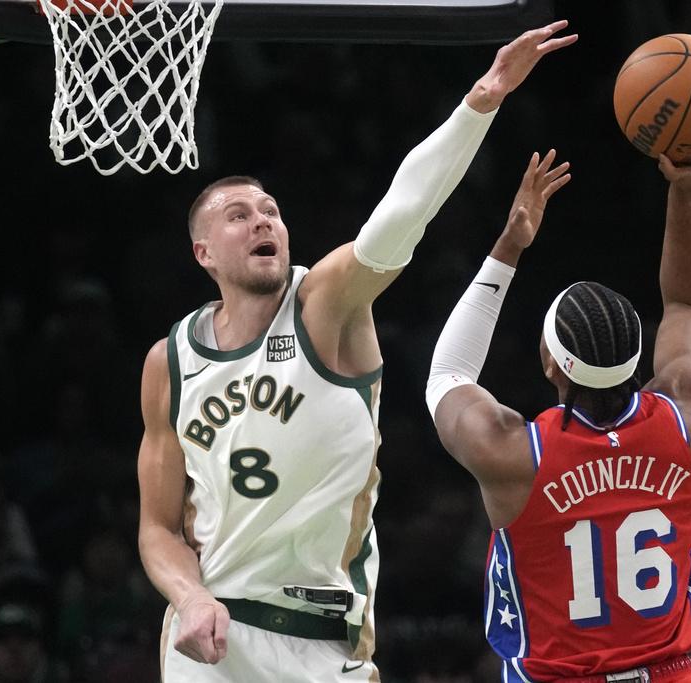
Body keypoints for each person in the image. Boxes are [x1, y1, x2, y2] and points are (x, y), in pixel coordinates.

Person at [135, 20, 576, 683]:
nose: (261, 220)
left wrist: (481, 99)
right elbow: (158, 528)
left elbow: (400, 215)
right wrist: (189, 596)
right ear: (204, 253)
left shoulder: (325, 305)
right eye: (238, 215)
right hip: (210, 635)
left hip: (321, 639)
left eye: (270, 210)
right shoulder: (168, 361)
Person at [425, 123, 691, 682]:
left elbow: (447, 373)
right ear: (638, 355)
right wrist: (687, 190)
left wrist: (509, 246)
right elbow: (688, 305)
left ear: (551, 364)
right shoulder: (689, 412)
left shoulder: (514, 453)